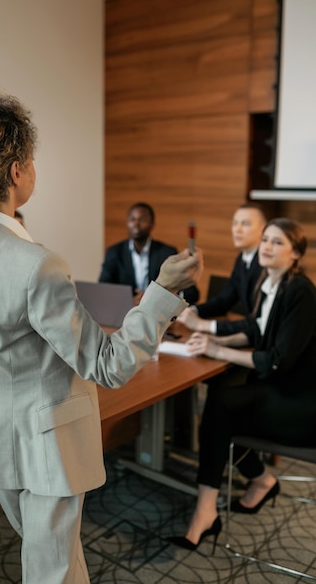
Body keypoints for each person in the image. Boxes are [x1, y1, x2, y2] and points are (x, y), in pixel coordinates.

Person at [0, 93, 202, 584]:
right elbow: (108, 366)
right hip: (45, 448)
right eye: (33, 161)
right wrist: (163, 291)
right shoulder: (36, 263)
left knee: (50, 558)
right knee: (52, 570)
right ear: (17, 171)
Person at [167, 217, 316, 552]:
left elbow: (277, 359)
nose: (267, 246)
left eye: (278, 242)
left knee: (222, 407)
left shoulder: (301, 291)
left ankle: (226, 499)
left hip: (302, 404)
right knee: (222, 392)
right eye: (266, 239)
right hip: (280, 387)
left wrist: (218, 348)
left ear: (295, 255)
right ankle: (248, 486)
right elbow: (254, 330)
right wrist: (206, 337)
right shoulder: (271, 282)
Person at [178, 202, 267, 335]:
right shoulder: (242, 258)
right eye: (235, 223)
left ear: (264, 229)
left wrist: (205, 325)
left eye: (245, 224)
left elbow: (260, 321)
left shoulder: (268, 265)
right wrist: (193, 311)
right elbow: (224, 300)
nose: (237, 229)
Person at [99, 202, 199, 306]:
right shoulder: (114, 252)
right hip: (125, 314)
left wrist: (153, 298)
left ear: (152, 224)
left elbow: (191, 294)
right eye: (132, 219)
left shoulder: (167, 253)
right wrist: (129, 300)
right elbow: (103, 290)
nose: (136, 224)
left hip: (158, 313)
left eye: (142, 220)